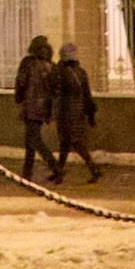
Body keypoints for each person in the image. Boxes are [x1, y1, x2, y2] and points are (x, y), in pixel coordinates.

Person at [53, 39, 102, 183]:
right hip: (79, 111)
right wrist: (90, 112)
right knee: (65, 142)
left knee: (73, 141)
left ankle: (93, 168)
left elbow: (57, 93)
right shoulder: (80, 72)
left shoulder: (61, 72)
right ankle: (58, 171)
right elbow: (87, 94)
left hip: (66, 112)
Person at [14, 33, 60, 181]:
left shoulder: (28, 63)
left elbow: (21, 82)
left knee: (34, 140)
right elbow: (55, 88)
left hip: (31, 105)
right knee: (31, 139)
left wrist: (19, 97)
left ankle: (54, 167)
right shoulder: (51, 65)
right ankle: (27, 173)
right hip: (44, 107)